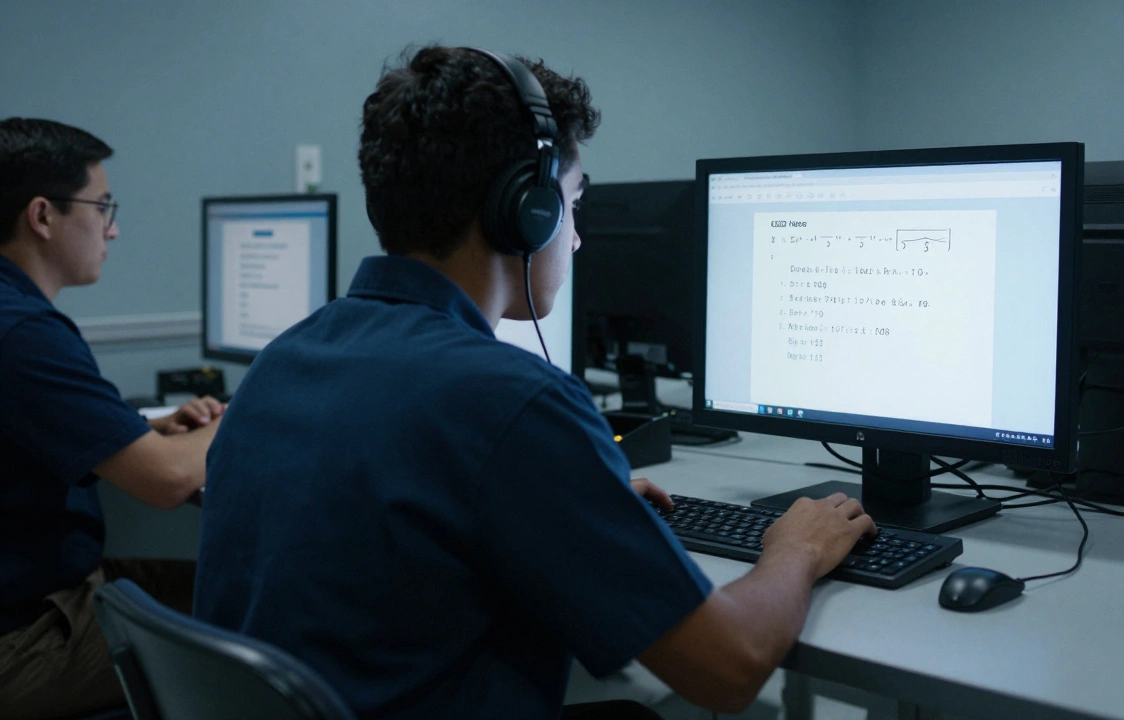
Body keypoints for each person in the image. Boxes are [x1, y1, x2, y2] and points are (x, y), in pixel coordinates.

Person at [192, 45, 875, 719]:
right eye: (572, 203)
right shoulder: (513, 403)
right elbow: (730, 668)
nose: (575, 237)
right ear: (525, 210)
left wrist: (566, 498)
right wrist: (797, 548)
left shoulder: (285, 360)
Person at [0, 117, 224, 719]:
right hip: (20, 639)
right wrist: (246, 411)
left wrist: (140, 433)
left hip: (33, 599)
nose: (114, 229)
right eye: (102, 207)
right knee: (253, 602)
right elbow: (167, 483)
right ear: (42, 216)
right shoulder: (23, 333)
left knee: (229, 585)